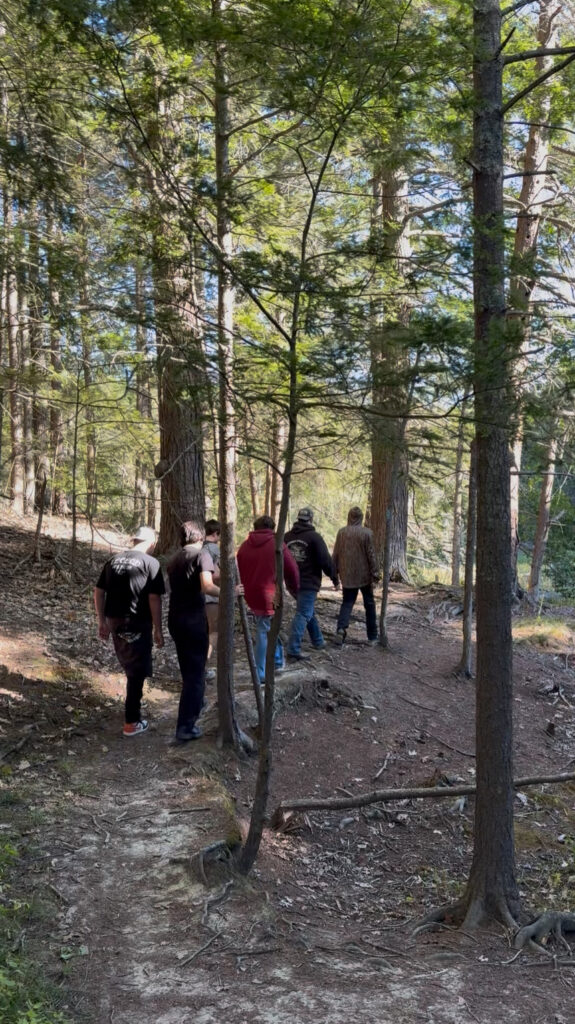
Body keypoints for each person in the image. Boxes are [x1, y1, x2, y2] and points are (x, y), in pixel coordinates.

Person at [168, 520, 242, 743]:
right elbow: (207, 586)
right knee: (196, 674)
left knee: (188, 669)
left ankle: (197, 703)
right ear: (200, 536)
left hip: (175, 618)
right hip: (192, 620)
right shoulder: (202, 555)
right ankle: (185, 727)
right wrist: (230, 593)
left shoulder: (174, 558)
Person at [94, 525, 165, 737]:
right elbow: (154, 598)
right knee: (137, 670)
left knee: (130, 664)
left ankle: (132, 710)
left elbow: (98, 591)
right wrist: (158, 628)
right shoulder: (151, 563)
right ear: (151, 543)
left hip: (115, 621)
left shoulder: (113, 560)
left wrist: (102, 621)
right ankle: (131, 721)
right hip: (137, 621)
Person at [236, 515, 299, 684]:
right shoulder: (277, 544)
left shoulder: (244, 546)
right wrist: (295, 588)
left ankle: (277, 660)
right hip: (271, 593)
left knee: (270, 625)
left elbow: (238, 568)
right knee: (264, 629)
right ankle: (260, 672)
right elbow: (292, 569)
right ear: (272, 527)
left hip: (250, 593)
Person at [284, 507, 338, 661]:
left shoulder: (286, 537)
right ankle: (293, 650)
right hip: (308, 582)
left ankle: (318, 641)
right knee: (303, 614)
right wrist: (334, 578)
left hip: (291, 583)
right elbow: (325, 561)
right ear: (311, 520)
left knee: (307, 611)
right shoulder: (314, 537)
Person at [332, 506, 380, 645]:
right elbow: (371, 555)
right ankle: (372, 636)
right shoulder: (367, 533)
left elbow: (335, 553)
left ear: (349, 517)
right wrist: (375, 573)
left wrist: (334, 573)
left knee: (347, 603)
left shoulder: (341, 532)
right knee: (369, 604)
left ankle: (341, 629)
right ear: (361, 518)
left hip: (347, 575)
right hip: (364, 575)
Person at [203, 519, 221, 681]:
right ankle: (203, 667)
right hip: (211, 597)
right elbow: (215, 574)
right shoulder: (214, 549)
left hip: (198, 599)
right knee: (213, 633)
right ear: (215, 533)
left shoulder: (197, 547)